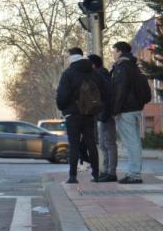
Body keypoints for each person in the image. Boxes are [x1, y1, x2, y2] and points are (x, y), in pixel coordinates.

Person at [56, 47, 105, 184]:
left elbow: (62, 95)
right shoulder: (94, 73)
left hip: (72, 114)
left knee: (74, 145)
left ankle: (73, 176)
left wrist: (62, 108)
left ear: (71, 57)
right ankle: (96, 174)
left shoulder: (68, 73)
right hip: (89, 114)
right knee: (91, 143)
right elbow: (105, 91)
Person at [110, 41, 152, 184]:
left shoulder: (122, 67)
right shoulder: (133, 66)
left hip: (126, 110)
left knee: (131, 142)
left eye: (114, 51)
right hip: (134, 108)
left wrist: (115, 110)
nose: (113, 54)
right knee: (134, 142)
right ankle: (134, 172)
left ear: (120, 51)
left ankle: (134, 174)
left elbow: (120, 90)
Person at [89, 53, 117, 182]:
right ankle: (105, 171)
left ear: (93, 65)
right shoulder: (100, 74)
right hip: (101, 114)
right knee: (103, 144)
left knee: (108, 143)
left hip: (105, 114)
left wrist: (104, 114)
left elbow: (106, 96)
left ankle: (111, 172)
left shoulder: (101, 75)